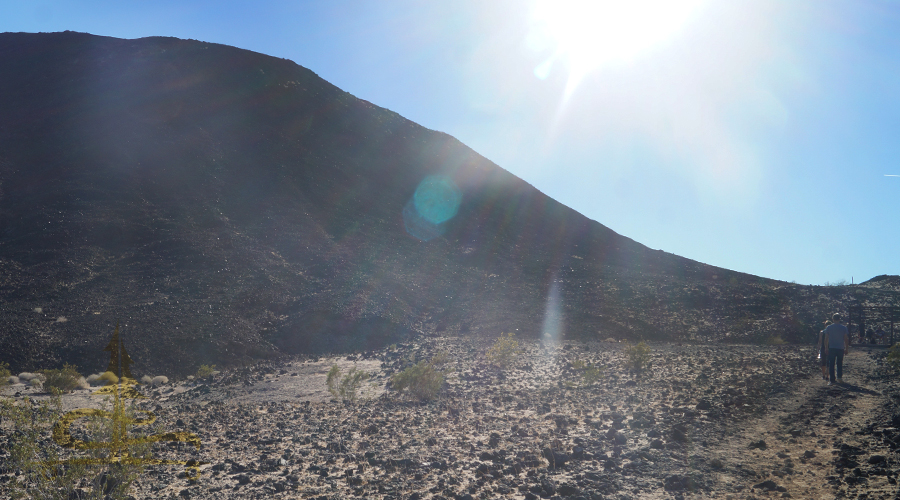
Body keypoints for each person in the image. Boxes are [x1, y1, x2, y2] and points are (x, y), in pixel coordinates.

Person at [823, 313, 850, 385]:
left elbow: (826, 339)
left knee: (831, 363)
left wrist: (826, 348)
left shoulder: (829, 327)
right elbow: (846, 339)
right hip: (840, 348)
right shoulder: (844, 328)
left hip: (831, 347)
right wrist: (846, 348)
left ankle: (832, 380)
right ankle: (839, 377)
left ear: (833, 319)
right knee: (839, 363)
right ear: (839, 319)